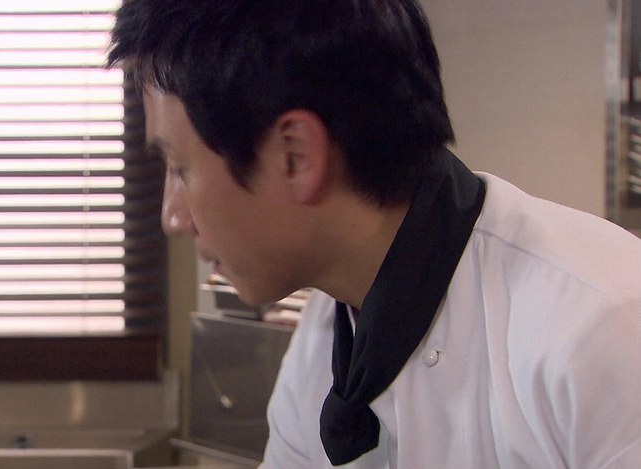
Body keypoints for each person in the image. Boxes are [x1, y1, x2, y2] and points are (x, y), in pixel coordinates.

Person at [107, 0, 641, 467]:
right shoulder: (325, 332)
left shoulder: (602, 329)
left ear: (296, 155)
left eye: (180, 169)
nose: (172, 217)